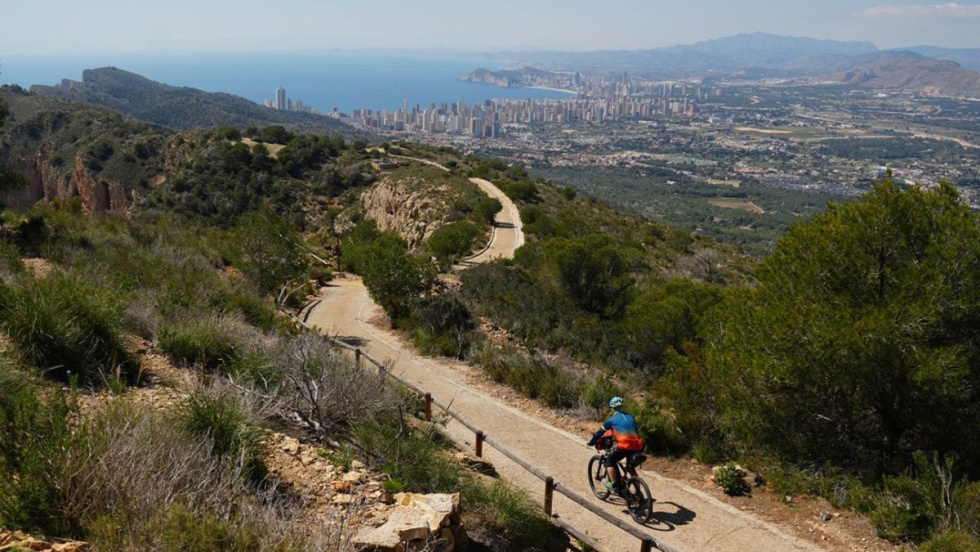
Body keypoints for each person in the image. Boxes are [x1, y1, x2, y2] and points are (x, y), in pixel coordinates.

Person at [587, 396, 644, 492]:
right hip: (638, 445)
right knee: (631, 468)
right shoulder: (631, 417)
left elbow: (599, 433)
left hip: (625, 446)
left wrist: (592, 442)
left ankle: (614, 485)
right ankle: (639, 492)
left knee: (610, 460)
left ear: (612, 408)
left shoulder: (611, 420)